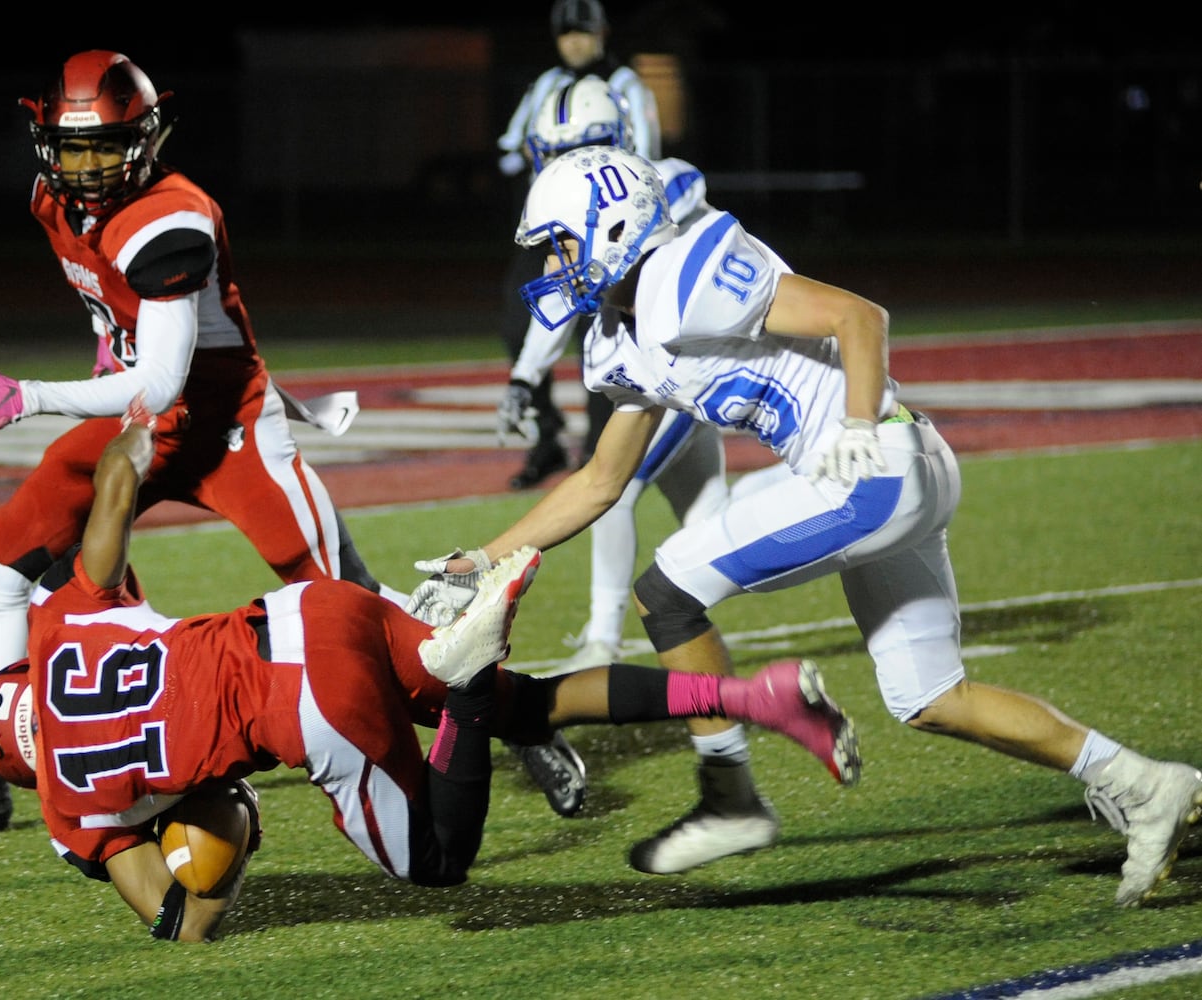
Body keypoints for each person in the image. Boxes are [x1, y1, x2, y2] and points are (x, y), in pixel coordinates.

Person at [409, 146, 1202, 906]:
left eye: (558, 246)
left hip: (871, 466)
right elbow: (599, 481)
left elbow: (858, 316)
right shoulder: (623, 337)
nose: (549, 268)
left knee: (666, 588)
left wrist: (858, 426)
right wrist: (483, 557)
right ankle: (1143, 783)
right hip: (883, 473)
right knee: (930, 696)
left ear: (611, 228)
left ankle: (730, 796)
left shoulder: (686, 276)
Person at [0, 394, 860, 941]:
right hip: (311, 611)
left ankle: (466, 683)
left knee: (438, 862)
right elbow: (114, 492)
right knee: (530, 703)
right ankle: (749, 695)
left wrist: (228, 828)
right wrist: (143, 420)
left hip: (309, 706)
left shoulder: (67, 807)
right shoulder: (64, 629)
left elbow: (178, 921)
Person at [0, 50, 403, 833]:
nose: (86, 168)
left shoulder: (170, 216)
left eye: (104, 147)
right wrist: (103, 340)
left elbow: (161, 381)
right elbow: (114, 319)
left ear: (146, 141)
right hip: (144, 431)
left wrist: (32, 397)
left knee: (343, 601)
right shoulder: (53, 202)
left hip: (225, 430)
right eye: (73, 147)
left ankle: (490, 697)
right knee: (2, 556)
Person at [497, 73, 728, 676]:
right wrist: (525, 375)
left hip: (687, 366)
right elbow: (568, 293)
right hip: (661, 370)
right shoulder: (584, 200)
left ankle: (603, 636)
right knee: (717, 524)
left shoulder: (654, 184)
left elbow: (603, 274)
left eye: (578, 147)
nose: (565, 163)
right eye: (552, 151)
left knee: (613, 484)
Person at [495, 0, 661, 490]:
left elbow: (651, 165)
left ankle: (601, 450)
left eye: (582, 31)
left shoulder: (627, 87)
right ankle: (551, 438)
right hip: (556, 232)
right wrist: (523, 379)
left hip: (610, 235)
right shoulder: (545, 87)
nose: (573, 41)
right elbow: (512, 147)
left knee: (603, 338)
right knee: (523, 320)